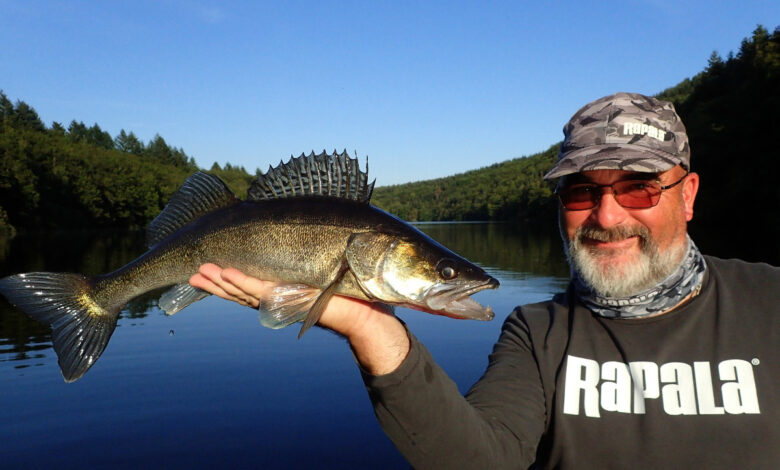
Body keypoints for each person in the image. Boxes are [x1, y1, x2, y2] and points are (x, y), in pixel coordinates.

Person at [189, 92, 779, 469]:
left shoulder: (771, 303)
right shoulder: (538, 334)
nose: (607, 215)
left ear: (689, 195)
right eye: (581, 190)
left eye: (638, 187)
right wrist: (375, 334)